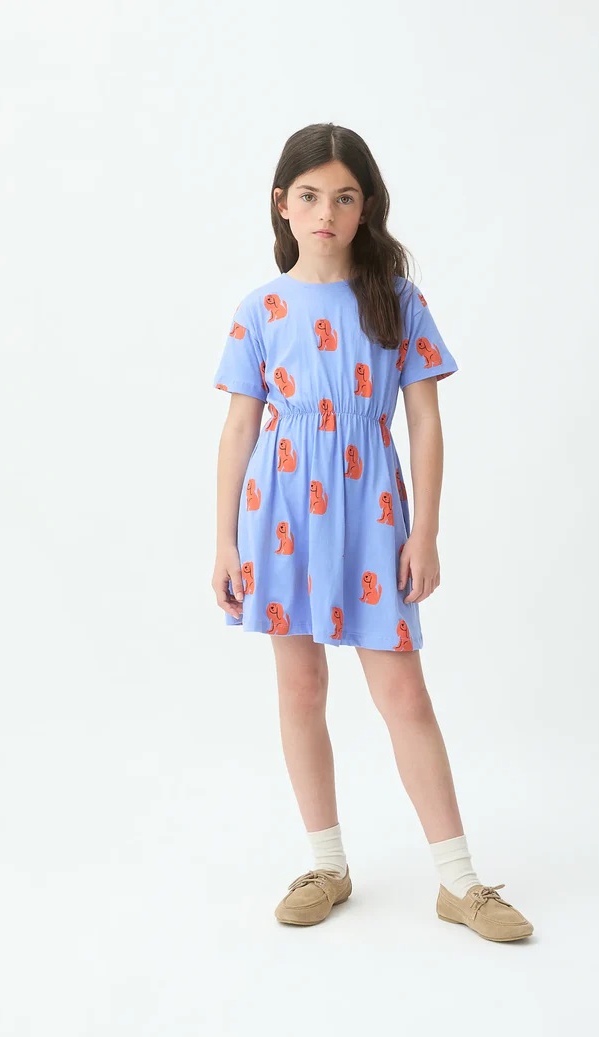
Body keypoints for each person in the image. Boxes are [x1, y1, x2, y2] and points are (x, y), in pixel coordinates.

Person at [211, 122, 534, 942]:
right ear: (282, 204)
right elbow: (239, 430)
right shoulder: (260, 310)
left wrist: (424, 533)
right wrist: (224, 542)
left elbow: (424, 423)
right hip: (281, 518)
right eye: (310, 195)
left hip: (370, 514)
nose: (326, 212)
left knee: (403, 694)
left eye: (344, 197)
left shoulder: (397, 302)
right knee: (300, 688)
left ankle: (459, 882)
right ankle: (326, 864)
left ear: (365, 208)